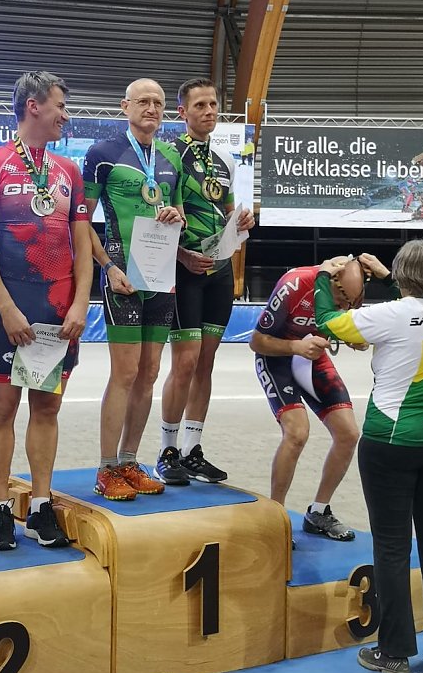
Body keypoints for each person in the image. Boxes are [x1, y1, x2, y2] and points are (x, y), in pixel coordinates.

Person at [315, 241, 423, 673]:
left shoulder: (393, 315)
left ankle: (395, 652)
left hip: (393, 441)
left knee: (393, 545)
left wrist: (326, 276)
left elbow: (331, 322)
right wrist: (388, 277)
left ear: (404, 275)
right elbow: (415, 308)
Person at [0, 71, 92, 549]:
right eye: (60, 105)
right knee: (2, 406)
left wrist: (81, 303)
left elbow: (82, 245)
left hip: (60, 309)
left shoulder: (68, 171)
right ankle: (0, 509)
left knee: (47, 405)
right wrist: (6, 309)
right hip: (11, 309)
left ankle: (40, 507)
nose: (66, 115)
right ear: (34, 106)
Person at [83, 78, 185, 501]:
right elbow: (81, 222)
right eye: (143, 101)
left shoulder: (171, 156)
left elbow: (174, 209)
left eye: (159, 103)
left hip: (159, 277)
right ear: (125, 106)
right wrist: (106, 267)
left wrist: (176, 214)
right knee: (125, 373)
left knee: (149, 373)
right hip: (122, 276)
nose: (152, 108)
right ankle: (107, 468)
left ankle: (129, 460)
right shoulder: (102, 155)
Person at [159, 78, 254, 485]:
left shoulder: (224, 160)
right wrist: (181, 254)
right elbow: (161, 217)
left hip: (218, 271)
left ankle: (192, 449)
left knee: (207, 362)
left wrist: (243, 221)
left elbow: (229, 211)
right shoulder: (167, 156)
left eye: (214, 104)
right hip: (184, 271)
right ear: (183, 112)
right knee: (185, 361)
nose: (210, 110)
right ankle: (167, 449)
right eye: (200, 105)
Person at [249, 257, 368, 541]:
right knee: (297, 433)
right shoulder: (295, 284)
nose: (344, 308)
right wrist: (295, 346)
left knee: (349, 434)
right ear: (331, 281)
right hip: (276, 357)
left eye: (351, 303)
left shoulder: (349, 292)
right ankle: (275, 517)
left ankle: (318, 511)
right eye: (340, 300)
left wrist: (355, 338)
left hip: (312, 357)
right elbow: (256, 341)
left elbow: (345, 325)